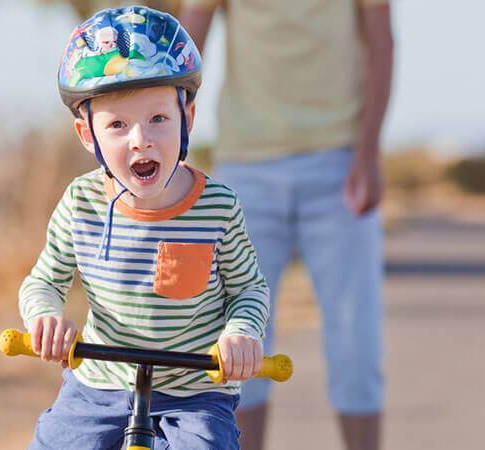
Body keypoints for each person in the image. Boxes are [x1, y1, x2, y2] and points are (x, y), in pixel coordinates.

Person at [18, 6, 270, 449]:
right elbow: (43, 280)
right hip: (99, 384)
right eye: (117, 124)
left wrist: (241, 335)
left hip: (195, 390)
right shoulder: (82, 203)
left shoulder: (218, 207)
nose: (141, 139)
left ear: (187, 120)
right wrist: (46, 318)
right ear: (86, 134)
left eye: (158, 118)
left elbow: (248, 289)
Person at [180, 1, 394, 449]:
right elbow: (188, 44)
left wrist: (369, 153)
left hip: (340, 163)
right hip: (245, 166)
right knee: (239, 340)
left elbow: (381, 40)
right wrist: (168, 144)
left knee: (356, 343)